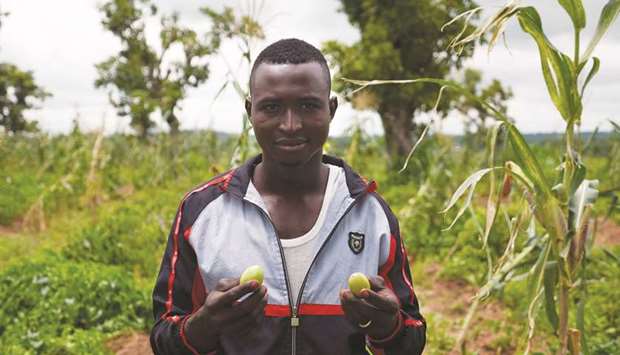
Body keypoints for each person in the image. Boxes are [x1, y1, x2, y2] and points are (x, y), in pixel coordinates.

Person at [150, 38, 426, 355]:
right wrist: (206, 324)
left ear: (331, 109)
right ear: (250, 111)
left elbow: (412, 338)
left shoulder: (369, 212)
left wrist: (386, 327)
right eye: (272, 107)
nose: (291, 125)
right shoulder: (203, 211)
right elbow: (163, 339)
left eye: (308, 106)